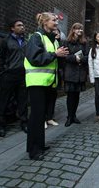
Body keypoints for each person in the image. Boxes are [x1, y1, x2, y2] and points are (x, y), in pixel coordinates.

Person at [24, 12, 69, 160]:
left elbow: (55, 60)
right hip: (37, 82)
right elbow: (35, 59)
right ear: (44, 23)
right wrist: (55, 54)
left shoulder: (53, 39)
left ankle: (38, 144)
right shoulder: (36, 37)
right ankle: (34, 150)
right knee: (36, 116)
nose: (56, 23)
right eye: (53, 20)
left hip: (48, 82)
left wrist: (61, 55)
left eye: (57, 20)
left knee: (41, 115)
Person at [0, 19, 28, 137]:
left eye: (23, 25)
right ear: (12, 28)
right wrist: (2, 72)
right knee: (4, 100)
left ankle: (24, 123)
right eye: (19, 25)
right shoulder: (6, 41)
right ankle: (0, 126)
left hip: (22, 74)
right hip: (9, 74)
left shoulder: (25, 41)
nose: (22, 27)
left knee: (23, 100)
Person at [61, 23, 89, 127]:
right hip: (70, 72)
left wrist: (81, 59)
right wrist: (74, 58)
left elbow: (87, 57)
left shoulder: (84, 43)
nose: (80, 30)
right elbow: (63, 56)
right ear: (73, 30)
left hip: (80, 73)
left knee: (77, 95)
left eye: (81, 29)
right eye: (77, 29)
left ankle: (74, 115)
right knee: (70, 96)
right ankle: (69, 116)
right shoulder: (66, 42)